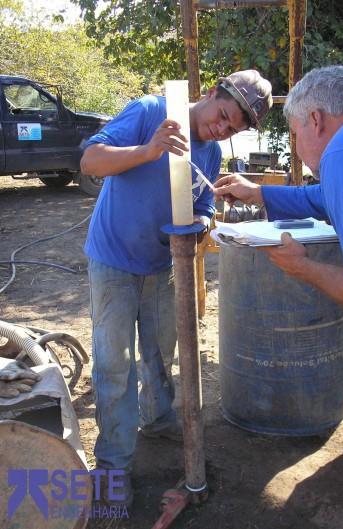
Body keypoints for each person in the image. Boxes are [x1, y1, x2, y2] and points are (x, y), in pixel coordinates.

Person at [213, 65, 343, 529]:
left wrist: (304, 268)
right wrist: (259, 194)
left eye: (294, 133)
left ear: (314, 120)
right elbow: (322, 201)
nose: (298, 148)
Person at [80, 69, 273, 505]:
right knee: (114, 365)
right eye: (223, 115)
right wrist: (148, 151)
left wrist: (201, 223)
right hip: (113, 259)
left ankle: (157, 417)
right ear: (211, 92)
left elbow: (203, 205)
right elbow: (90, 161)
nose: (221, 128)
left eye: (232, 128)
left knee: (160, 351)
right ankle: (113, 466)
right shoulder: (151, 112)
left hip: (162, 263)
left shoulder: (210, 153)